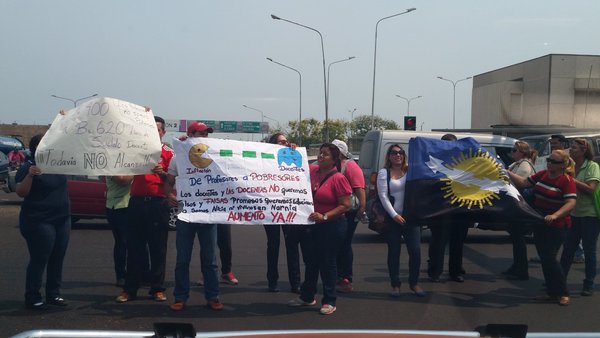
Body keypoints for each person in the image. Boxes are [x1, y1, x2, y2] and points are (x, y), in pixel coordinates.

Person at [165, 121, 224, 311]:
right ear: (190, 135)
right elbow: (169, 181)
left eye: (207, 134)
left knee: (210, 260)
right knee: (183, 258)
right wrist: (169, 195)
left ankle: (212, 296)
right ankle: (180, 297)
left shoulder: (215, 156)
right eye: (201, 133)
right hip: (185, 214)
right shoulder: (178, 158)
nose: (205, 137)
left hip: (208, 215)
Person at [288, 143, 351, 316]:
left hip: (331, 226)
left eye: (325, 154)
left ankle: (330, 300)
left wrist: (324, 216)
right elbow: (292, 165)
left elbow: (346, 205)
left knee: (327, 262)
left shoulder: (338, 178)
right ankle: (307, 297)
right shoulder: (312, 171)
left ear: (334, 160)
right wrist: (290, 149)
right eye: (320, 153)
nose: (321, 156)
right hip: (311, 226)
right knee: (310, 262)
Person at [116, 115, 174, 303]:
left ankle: (157, 288)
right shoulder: (135, 151)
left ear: (163, 133)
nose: (154, 133)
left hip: (158, 204)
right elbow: (123, 175)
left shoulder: (169, 153)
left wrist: (163, 173)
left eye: (157, 130)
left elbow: (175, 182)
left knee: (158, 248)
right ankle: (130, 289)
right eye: (150, 129)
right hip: (137, 202)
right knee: (133, 247)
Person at [508, 149, 576, 306]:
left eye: (554, 162)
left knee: (550, 258)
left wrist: (556, 215)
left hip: (557, 224)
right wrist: (506, 172)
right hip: (540, 221)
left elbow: (571, 202)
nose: (549, 163)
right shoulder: (543, 174)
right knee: (545, 259)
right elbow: (524, 183)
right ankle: (552, 293)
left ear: (562, 165)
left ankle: (563, 292)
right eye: (549, 160)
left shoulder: (566, 180)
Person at [16, 134, 70, 309]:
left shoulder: (59, 165)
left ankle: (53, 294)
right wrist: (30, 176)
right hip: (38, 220)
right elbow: (21, 192)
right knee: (40, 257)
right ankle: (32, 296)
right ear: (36, 149)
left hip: (61, 219)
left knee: (58, 257)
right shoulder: (29, 167)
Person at [378, 144, 425, 297]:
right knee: (394, 252)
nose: (397, 155)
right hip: (393, 219)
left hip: (411, 218)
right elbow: (383, 196)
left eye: (400, 152)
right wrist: (394, 215)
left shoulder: (410, 171)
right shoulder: (384, 173)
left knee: (415, 251)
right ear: (389, 156)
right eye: (394, 153)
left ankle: (414, 283)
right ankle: (395, 285)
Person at [559, 139, 600, 296]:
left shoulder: (592, 166)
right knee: (568, 249)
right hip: (575, 214)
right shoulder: (572, 167)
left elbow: (590, 189)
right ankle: (559, 280)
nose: (571, 150)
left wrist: (571, 180)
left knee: (589, 251)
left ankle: (588, 284)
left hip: (590, 215)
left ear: (583, 150)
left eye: (574, 148)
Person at [427, 133, 469, 283]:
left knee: (457, 244)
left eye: (452, 144)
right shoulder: (434, 160)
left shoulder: (465, 161)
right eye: (447, 144)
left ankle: (455, 271)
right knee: (438, 243)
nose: (450, 147)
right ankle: (434, 272)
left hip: (460, 210)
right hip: (440, 210)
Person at [264, 132, 302, 293]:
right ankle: (272, 282)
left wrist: (295, 150)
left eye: (286, 142)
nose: (285, 144)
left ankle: (296, 283)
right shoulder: (264, 160)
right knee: (273, 245)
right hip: (271, 208)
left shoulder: (292, 156)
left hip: (288, 207)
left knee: (292, 245)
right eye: (281, 142)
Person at [331, 139, 366, 294]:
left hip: (349, 211)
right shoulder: (329, 166)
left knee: (344, 244)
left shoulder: (350, 166)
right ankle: (337, 275)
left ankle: (346, 277)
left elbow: (359, 189)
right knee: (335, 244)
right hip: (333, 211)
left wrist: (362, 207)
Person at [503, 140, 537, 280]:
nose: (512, 152)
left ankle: (521, 268)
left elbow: (522, 183)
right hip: (515, 204)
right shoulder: (517, 164)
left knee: (518, 237)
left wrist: (506, 173)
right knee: (516, 237)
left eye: (515, 150)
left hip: (520, 205)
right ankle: (517, 265)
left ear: (522, 152)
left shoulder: (524, 166)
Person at [105, 175, 134, 287]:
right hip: (117, 206)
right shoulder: (112, 163)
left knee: (136, 242)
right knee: (122, 242)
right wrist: (139, 168)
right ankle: (121, 275)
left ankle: (139, 274)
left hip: (132, 204)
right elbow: (122, 180)